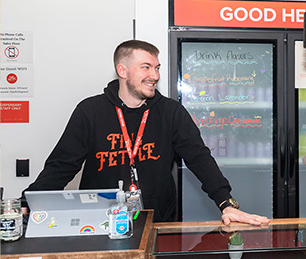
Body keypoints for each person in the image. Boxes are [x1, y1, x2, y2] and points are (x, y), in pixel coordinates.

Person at [22, 40, 269, 225]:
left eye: (157, 68)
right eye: (146, 67)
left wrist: (225, 202)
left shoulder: (170, 111)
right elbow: (62, 165)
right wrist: (27, 203)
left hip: (157, 222)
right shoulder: (90, 111)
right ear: (122, 70)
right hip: (99, 221)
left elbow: (199, 158)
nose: (155, 76)